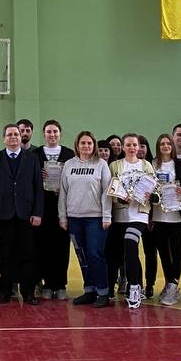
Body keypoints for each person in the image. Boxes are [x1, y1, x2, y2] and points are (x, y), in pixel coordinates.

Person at [0, 124, 44, 304]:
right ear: (4, 138)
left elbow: (38, 188)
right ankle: (5, 291)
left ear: (20, 137)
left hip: (26, 214)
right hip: (4, 214)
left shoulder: (32, 158)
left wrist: (37, 212)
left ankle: (28, 292)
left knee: (28, 254)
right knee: (6, 254)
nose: (13, 137)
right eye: (9, 134)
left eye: (16, 134)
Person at [59, 131, 112, 307]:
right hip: (74, 218)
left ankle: (103, 292)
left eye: (89, 143)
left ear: (94, 145)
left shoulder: (101, 164)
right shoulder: (69, 165)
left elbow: (107, 192)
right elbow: (63, 192)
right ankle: (89, 290)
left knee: (95, 254)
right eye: (83, 143)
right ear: (77, 145)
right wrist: (62, 216)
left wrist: (106, 215)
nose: (86, 146)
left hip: (95, 218)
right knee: (82, 256)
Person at [108, 133, 155, 309]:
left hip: (139, 215)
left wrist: (152, 196)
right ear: (123, 147)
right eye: (128, 145)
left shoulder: (146, 165)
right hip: (120, 215)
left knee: (130, 241)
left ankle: (134, 287)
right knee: (124, 252)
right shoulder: (115, 165)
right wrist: (120, 198)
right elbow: (111, 190)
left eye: (135, 145)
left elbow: (154, 189)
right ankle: (119, 286)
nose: (132, 148)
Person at [35, 119, 76, 299]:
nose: (52, 135)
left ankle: (60, 284)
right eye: (49, 132)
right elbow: (30, 179)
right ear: (44, 134)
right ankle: (47, 283)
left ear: (60, 133)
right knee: (44, 245)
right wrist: (38, 174)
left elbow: (74, 179)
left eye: (55, 131)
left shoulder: (69, 154)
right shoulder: (36, 154)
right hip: (43, 206)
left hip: (63, 205)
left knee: (61, 246)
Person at [149, 134, 181, 305]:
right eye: (162, 144)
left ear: (172, 146)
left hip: (176, 217)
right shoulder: (151, 164)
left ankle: (174, 285)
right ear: (158, 146)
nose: (165, 146)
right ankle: (169, 283)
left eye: (168, 143)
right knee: (164, 253)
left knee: (175, 252)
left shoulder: (179, 165)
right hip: (158, 216)